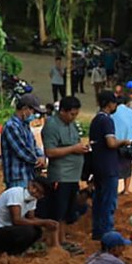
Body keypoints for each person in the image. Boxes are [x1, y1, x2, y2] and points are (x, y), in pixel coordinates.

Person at [41, 94, 91, 232]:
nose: (73, 117)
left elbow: (75, 142)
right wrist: (74, 149)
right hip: (61, 175)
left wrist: (81, 148)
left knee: (67, 211)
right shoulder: (52, 125)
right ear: (62, 111)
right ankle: (54, 242)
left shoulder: (71, 124)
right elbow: (50, 152)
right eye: (71, 114)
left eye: (76, 114)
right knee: (58, 210)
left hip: (73, 176)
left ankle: (62, 240)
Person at [87, 90, 127, 240]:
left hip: (97, 166)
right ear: (109, 104)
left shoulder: (95, 120)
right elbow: (111, 143)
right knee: (109, 202)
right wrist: (123, 142)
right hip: (109, 167)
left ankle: (98, 232)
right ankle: (108, 235)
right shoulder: (107, 120)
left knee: (98, 200)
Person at [0, 175, 58, 255]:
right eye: (34, 187)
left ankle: (14, 252)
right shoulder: (16, 193)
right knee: (27, 231)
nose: (33, 191)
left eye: (38, 191)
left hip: (4, 229)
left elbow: (32, 218)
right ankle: (9, 252)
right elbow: (16, 220)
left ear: (41, 196)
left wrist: (47, 223)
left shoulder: (32, 199)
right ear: (29, 183)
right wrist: (43, 222)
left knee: (37, 230)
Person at [0, 93, 47, 194]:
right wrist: (37, 160)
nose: (35, 116)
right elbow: (22, 151)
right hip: (17, 177)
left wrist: (42, 156)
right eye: (33, 112)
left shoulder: (25, 126)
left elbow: (34, 145)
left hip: (29, 175)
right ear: (25, 109)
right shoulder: (11, 126)